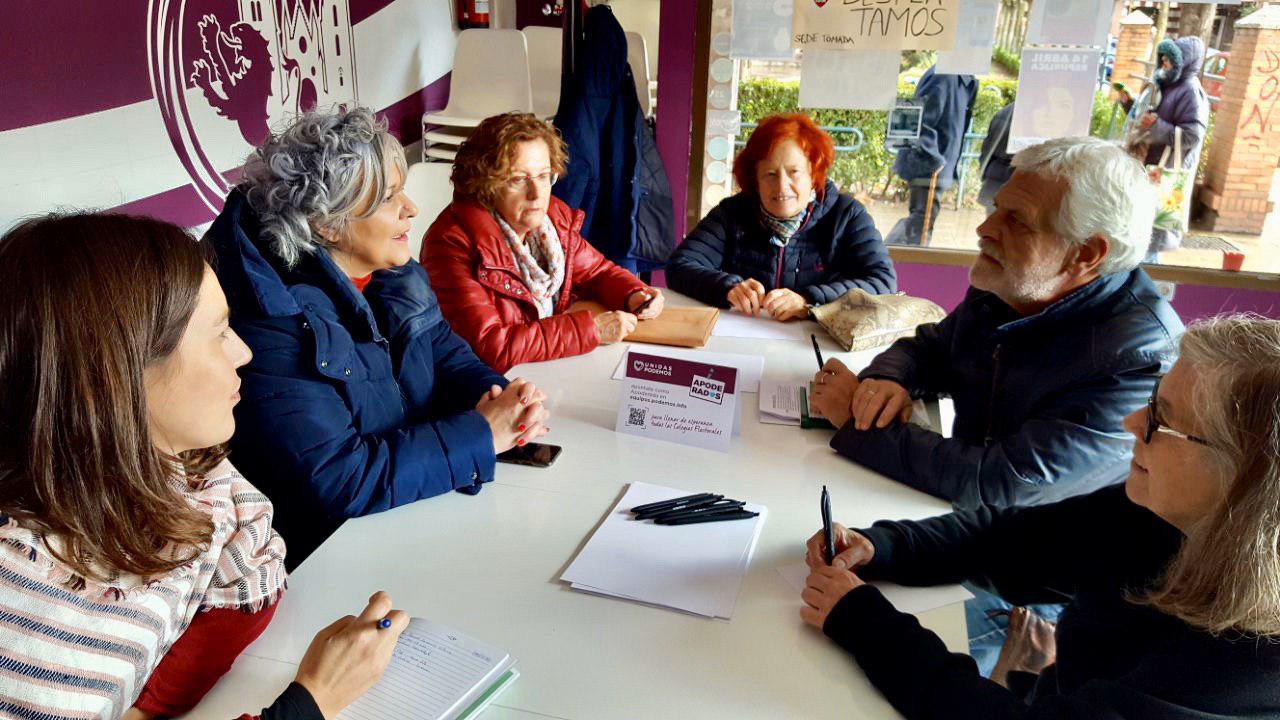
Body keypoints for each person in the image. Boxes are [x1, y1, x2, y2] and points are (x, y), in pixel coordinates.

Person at [0, 213, 409, 720]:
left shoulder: (189, 479)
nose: (244, 351)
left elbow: (247, 564)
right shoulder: (26, 611)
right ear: (119, 377)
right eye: (219, 334)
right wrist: (314, 698)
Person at [809, 136, 1184, 673]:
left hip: (1035, 590)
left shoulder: (1138, 358)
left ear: (1086, 254)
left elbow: (1000, 484)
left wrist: (856, 421)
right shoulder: (1015, 285)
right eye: (995, 207)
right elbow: (930, 346)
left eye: (1018, 219)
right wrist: (885, 382)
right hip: (961, 531)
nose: (986, 228)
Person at [801, 315, 1280, 718]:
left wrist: (868, 625)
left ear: (1244, 479)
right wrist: (885, 546)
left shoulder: (1242, 672)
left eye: (1162, 419)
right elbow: (1014, 537)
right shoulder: (1158, 511)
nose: (1132, 423)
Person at [206, 107, 549, 568]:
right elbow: (340, 480)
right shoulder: (271, 326)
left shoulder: (393, 271)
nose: (412, 208)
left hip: (412, 518)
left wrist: (503, 398)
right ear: (327, 224)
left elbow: (447, 356)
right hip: (334, 561)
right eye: (390, 198)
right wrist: (481, 434)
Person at [424, 112, 663, 373]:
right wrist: (591, 329)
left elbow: (598, 271)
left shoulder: (553, 218)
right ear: (484, 184)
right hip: (487, 387)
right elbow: (493, 347)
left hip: (544, 367)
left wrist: (634, 294)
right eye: (518, 179)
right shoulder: (450, 243)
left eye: (543, 176)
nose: (537, 194)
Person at [666, 113, 896, 321]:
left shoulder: (846, 215)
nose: (782, 186)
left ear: (813, 174)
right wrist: (727, 287)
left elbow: (883, 282)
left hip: (818, 345)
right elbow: (679, 266)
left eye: (794, 172)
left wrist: (809, 300)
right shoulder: (732, 213)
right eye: (770, 174)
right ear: (755, 180)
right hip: (743, 337)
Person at [884, 66, 978, 246]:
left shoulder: (963, 78)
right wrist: (935, 161)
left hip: (936, 165)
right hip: (929, 168)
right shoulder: (945, 75)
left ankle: (885, 257)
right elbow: (912, 118)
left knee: (919, 225)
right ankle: (887, 259)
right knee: (919, 228)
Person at [1136, 36, 1208, 258]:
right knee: (1144, 228)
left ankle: (1152, 282)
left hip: (1166, 170)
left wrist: (1157, 125)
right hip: (1153, 167)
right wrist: (1130, 105)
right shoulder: (1168, 85)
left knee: (1155, 232)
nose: (1163, 64)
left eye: (1169, 61)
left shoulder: (1189, 91)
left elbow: (1192, 135)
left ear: (1183, 63)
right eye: (1162, 59)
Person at [977, 102, 1014, 216]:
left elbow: (987, 149)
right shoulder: (1034, 114)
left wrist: (985, 175)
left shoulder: (1005, 111)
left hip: (994, 182)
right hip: (1015, 182)